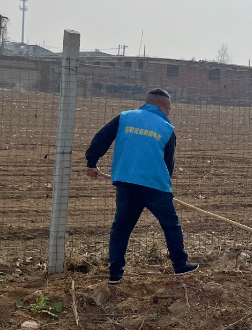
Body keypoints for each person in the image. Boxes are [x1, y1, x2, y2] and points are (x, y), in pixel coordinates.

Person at [85, 88, 199, 284]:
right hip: (155, 184)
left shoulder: (125, 118)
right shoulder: (167, 128)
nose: (169, 113)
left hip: (126, 181)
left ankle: (115, 273)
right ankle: (180, 265)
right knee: (171, 225)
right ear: (161, 105)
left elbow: (102, 137)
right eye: (169, 108)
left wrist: (91, 162)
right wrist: (165, 187)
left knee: (121, 227)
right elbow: (168, 162)